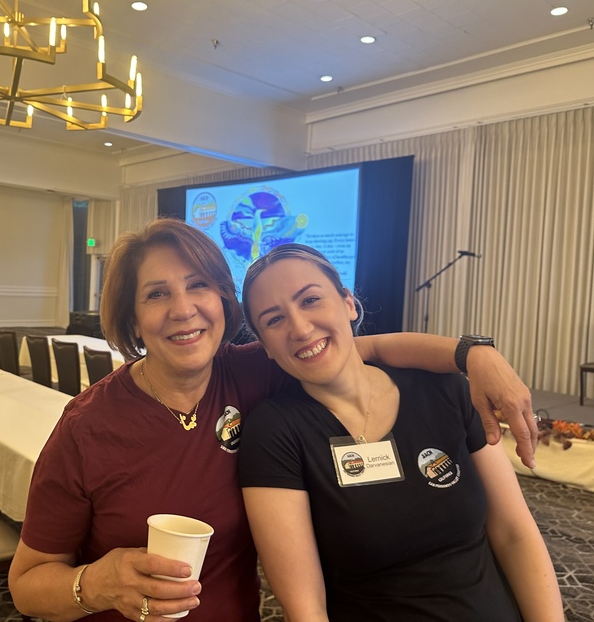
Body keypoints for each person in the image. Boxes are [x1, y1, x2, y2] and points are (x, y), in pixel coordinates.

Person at [8, 218, 538, 622]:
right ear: (132, 319)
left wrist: (475, 353)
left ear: (222, 300)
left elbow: (360, 349)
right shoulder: (88, 427)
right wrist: (96, 584)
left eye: (198, 285)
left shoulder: (251, 370)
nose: (183, 309)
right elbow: (27, 585)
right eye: (157, 294)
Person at [238, 243, 562, 622]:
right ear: (265, 347)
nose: (300, 328)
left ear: (348, 303)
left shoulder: (443, 390)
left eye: (310, 300)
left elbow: (514, 534)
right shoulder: (274, 433)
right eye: (274, 320)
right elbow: (307, 608)